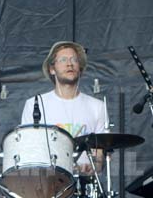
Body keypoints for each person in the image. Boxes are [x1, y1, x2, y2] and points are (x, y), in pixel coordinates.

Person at [20, 41, 106, 175]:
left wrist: (94, 166)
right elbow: (26, 149)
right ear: (52, 69)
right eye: (63, 59)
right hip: (47, 183)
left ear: (80, 68)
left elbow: (100, 153)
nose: (69, 63)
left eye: (74, 60)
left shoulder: (97, 106)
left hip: (84, 186)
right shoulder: (34, 104)